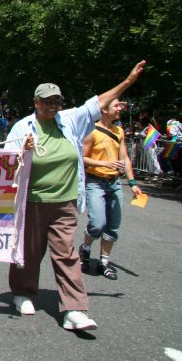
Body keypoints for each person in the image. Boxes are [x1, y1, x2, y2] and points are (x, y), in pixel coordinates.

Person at [5, 61, 145, 331]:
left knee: (67, 253)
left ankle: (75, 310)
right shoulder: (23, 127)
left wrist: (128, 81)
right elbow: (6, 164)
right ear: (36, 101)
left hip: (66, 201)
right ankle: (23, 292)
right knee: (30, 251)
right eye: (47, 101)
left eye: (56, 100)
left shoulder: (70, 120)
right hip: (32, 201)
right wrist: (23, 151)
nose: (52, 105)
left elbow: (96, 103)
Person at [79, 99, 143, 280]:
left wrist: (132, 183)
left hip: (114, 183)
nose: (120, 109)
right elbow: (81, 157)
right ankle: (85, 249)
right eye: (116, 106)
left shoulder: (119, 131)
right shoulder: (91, 131)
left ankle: (104, 262)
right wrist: (105, 163)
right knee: (97, 224)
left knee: (113, 227)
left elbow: (125, 159)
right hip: (95, 182)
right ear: (104, 110)